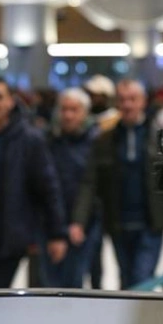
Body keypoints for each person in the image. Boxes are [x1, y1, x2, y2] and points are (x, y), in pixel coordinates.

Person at [0, 76, 68, 289]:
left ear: (11, 101)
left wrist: (57, 234)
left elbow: (48, 188)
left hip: (9, 238)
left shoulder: (29, 139)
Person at [71, 79, 163, 290]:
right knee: (126, 280)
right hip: (119, 224)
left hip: (151, 224)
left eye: (133, 99)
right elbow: (90, 183)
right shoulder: (104, 140)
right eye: (123, 100)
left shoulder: (160, 138)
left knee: (142, 279)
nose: (127, 105)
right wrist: (79, 221)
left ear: (143, 102)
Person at [44, 87, 101, 288]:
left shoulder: (95, 141)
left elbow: (92, 185)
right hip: (51, 222)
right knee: (49, 283)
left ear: (85, 113)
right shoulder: (49, 140)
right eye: (64, 109)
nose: (68, 115)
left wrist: (79, 221)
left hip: (84, 223)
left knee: (74, 281)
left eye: (74, 110)